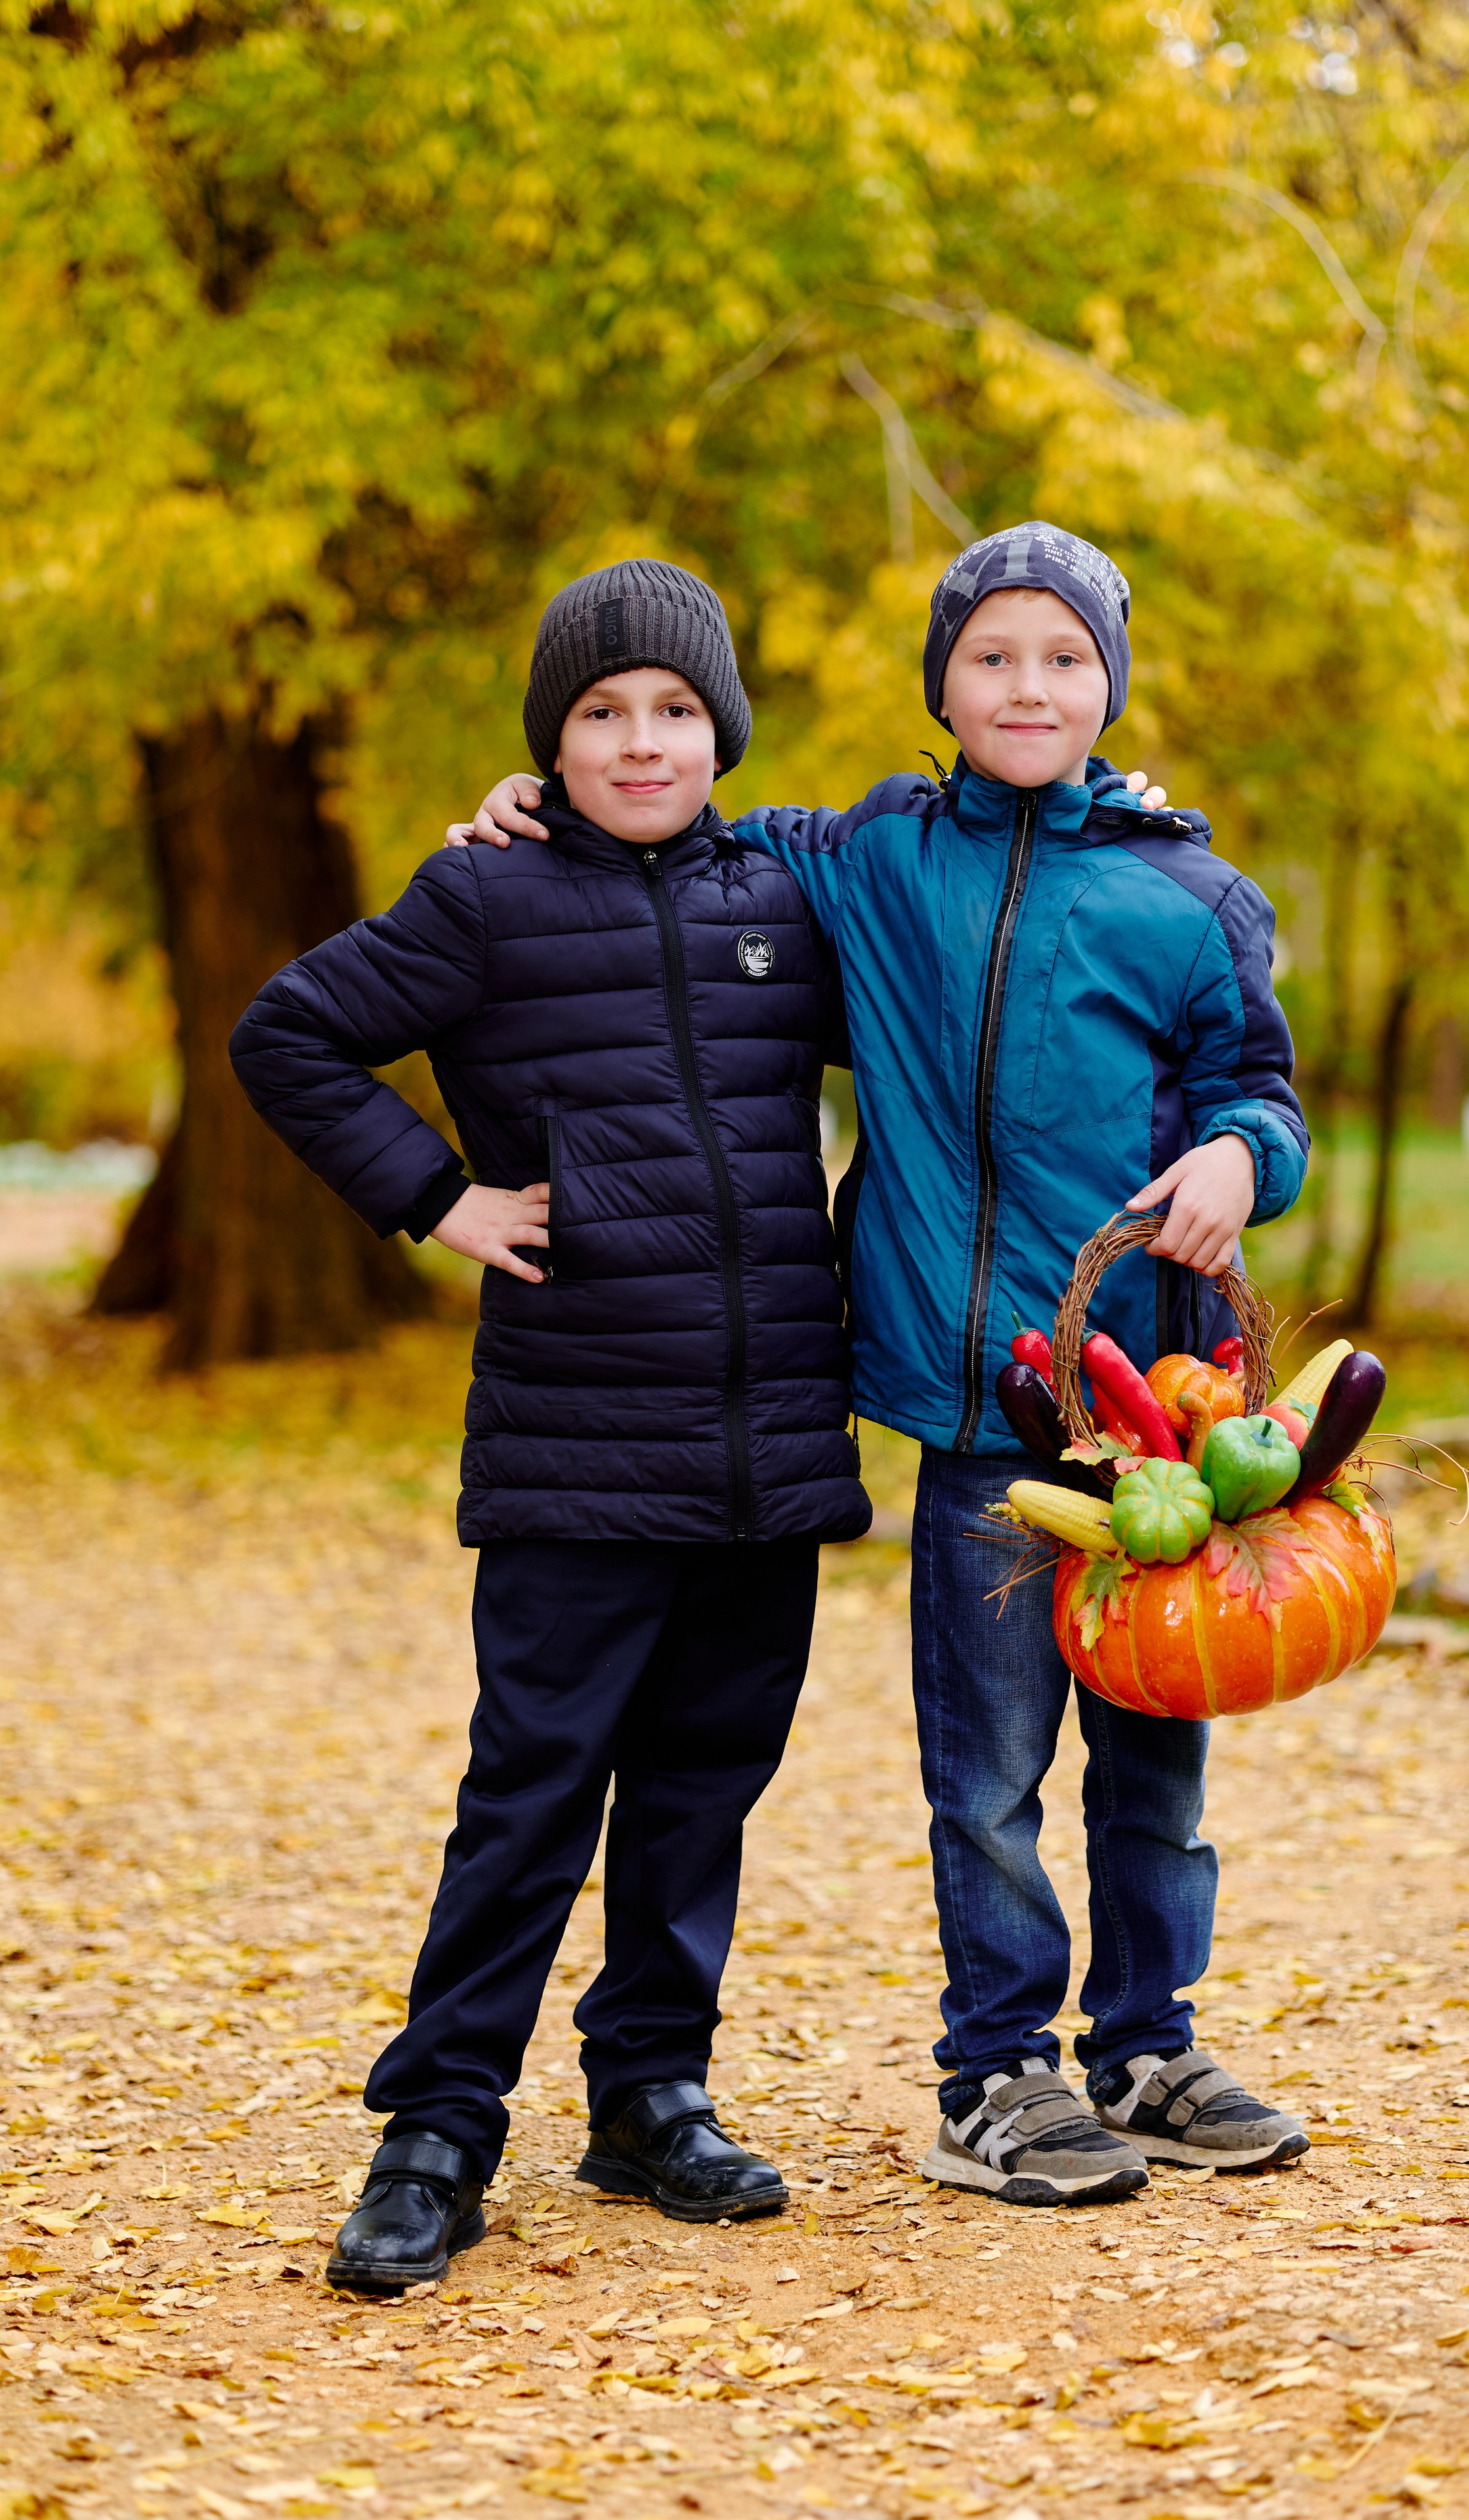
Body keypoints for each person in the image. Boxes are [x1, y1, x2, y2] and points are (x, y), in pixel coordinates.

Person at [459, 522, 1312, 2206]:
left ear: (1108, 686)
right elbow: (666, 830)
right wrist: (524, 808)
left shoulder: (1188, 894)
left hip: (1170, 1415)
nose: (1027, 686)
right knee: (987, 1770)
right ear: (942, 683)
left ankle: (1146, 2039)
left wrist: (1238, 1159)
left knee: (1157, 1756)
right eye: (990, 656)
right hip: (977, 1397)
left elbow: (1261, 1097)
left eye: (1063, 658)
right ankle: (993, 2071)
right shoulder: (859, 864)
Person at [230, 560, 870, 2288]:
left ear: (720, 730)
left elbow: (951, 855)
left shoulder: (792, 895)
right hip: (577, 1438)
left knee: (697, 1791)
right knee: (531, 1792)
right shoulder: (484, 899)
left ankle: (651, 2095)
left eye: (673, 710)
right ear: (552, 743)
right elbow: (287, 1038)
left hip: (765, 1439)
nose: (640, 741)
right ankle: (437, 2129)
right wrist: (437, 1196)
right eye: (600, 714)